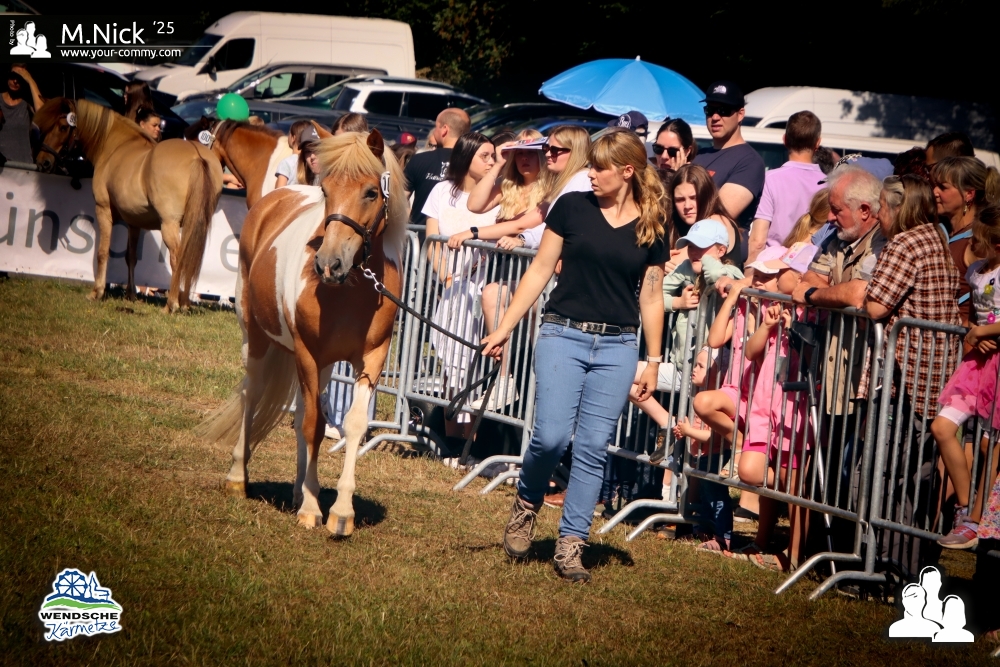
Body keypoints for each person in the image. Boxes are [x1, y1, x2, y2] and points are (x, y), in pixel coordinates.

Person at [482, 129, 669, 583]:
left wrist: (653, 360)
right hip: (562, 333)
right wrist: (504, 327)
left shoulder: (651, 224)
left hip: (618, 346)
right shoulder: (571, 207)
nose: (591, 175)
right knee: (549, 437)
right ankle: (527, 501)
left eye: (600, 168)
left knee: (591, 446)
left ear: (627, 171)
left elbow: (651, 296)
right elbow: (539, 270)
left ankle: (571, 544)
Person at [864, 175, 962, 575]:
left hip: (909, 379)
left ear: (898, 208)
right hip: (935, 376)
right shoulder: (935, 236)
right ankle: (907, 564)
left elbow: (875, 306)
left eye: (882, 206)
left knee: (892, 474)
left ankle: (892, 565)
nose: (878, 214)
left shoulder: (904, 243)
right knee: (913, 476)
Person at [929, 206, 1000, 550]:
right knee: (942, 427)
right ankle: (964, 507)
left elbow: (984, 325)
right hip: (976, 365)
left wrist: (983, 331)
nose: (972, 242)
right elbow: (972, 317)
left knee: (991, 444)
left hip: (998, 366)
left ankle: (976, 518)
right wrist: (975, 331)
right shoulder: (975, 271)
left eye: (978, 239)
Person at [640, 219, 742, 457]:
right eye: (691, 246)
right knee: (625, 374)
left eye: (701, 247)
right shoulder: (687, 267)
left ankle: (704, 482)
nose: (694, 252)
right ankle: (667, 421)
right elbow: (653, 295)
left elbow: (716, 276)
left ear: (721, 250)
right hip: (681, 367)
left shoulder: (731, 272)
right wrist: (678, 302)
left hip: (710, 375)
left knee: (696, 449)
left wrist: (705, 261)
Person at [422, 132, 499, 435]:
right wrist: (446, 277)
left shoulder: (499, 195)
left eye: (494, 156)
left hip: (485, 286)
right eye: (485, 156)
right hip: (452, 288)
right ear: (466, 158)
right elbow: (431, 241)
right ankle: (451, 435)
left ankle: (472, 438)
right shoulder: (442, 191)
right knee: (451, 361)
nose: (491, 162)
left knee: (475, 363)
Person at [747, 111, 825, 265]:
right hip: (807, 270)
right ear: (817, 143)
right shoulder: (827, 184)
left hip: (771, 269)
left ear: (785, 140)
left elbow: (758, 241)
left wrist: (749, 272)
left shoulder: (770, 179)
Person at [930, 156, 1000, 321]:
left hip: (964, 333)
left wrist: (977, 331)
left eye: (942, 187)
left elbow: (992, 300)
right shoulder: (946, 232)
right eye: (934, 185)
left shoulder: (978, 241)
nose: (934, 192)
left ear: (969, 194)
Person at [692, 80, 766, 230]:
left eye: (723, 110)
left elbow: (719, 217)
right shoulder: (698, 155)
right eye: (710, 110)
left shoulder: (750, 162)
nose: (715, 117)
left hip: (718, 244)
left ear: (740, 114)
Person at [517, 125, 594, 250]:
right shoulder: (569, 180)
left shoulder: (582, 180)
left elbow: (557, 227)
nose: (547, 154)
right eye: (546, 148)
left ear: (575, 152)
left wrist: (523, 239)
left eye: (554, 150)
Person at [404, 108, 471, 226]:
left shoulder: (419, 160)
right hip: (459, 236)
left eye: (436, 127)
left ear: (444, 129)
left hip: (420, 235)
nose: (434, 132)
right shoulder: (472, 162)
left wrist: (408, 223)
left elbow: (400, 200)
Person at [668, 164, 742, 266]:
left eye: (694, 198)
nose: (687, 206)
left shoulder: (715, 221)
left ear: (707, 196)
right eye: (680, 200)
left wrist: (661, 262)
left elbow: (675, 263)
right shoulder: (679, 225)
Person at [0, 65, 44, 164]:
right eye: (13, 76)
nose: (15, 81)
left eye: (20, 78)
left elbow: (42, 113)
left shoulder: (27, 104)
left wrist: (30, 80)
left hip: (23, 167)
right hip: (2, 167)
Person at [651, 118, 697, 186]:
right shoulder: (647, 181)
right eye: (659, 148)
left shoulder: (695, 183)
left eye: (672, 151)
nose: (664, 156)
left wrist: (677, 177)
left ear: (687, 151)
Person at [274, 120, 314, 189]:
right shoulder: (310, 161)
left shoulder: (286, 163)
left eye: (289, 133)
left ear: (293, 138)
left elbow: (279, 190)